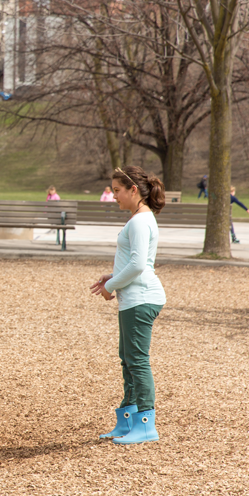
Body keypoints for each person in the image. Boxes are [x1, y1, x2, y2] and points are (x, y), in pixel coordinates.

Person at [91, 166, 166, 445]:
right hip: (134, 297)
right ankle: (127, 420)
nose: (114, 196)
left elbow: (137, 265)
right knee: (128, 358)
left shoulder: (139, 221)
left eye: (118, 191)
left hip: (141, 298)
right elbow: (137, 263)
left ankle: (146, 424)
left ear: (134, 190)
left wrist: (111, 287)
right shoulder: (140, 218)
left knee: (137, 361)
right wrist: (112, 276)